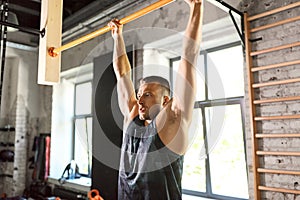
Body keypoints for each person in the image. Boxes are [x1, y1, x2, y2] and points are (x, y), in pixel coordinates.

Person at [108, 0, 203, 199]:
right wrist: (118, 37)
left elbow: (189, 57)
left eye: (148, 95)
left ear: (166, 100)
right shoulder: (133, 119)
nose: (140, 100)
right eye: (140, 94)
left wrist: (196, 7)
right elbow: (122, 73)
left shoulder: (173, 122)